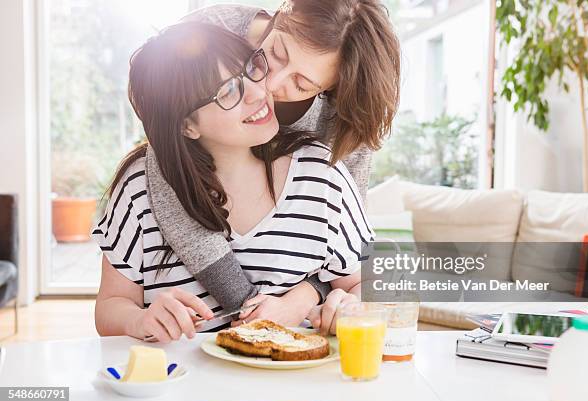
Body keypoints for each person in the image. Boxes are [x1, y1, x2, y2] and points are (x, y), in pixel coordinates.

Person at [94, 22, 373, 343]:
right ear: (186, 125)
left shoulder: (323, 176)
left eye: (251, 69)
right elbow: (110, 308)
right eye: (227, 91)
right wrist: (139, 319)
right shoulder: (138, 187)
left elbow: (365, 286)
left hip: (296, 383)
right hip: (180, 385)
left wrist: (350, 306)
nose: (258, 92)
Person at [145, 0, 400, 331]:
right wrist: (245, 305)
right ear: (282, 12)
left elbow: (341, 240)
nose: (269, 84)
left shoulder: (345, 116)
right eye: (277, 52)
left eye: (301, 84)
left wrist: (304, 297)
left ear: (331, 90)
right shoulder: (210, 32)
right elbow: (169, 158)